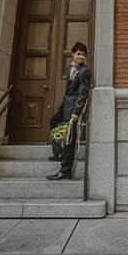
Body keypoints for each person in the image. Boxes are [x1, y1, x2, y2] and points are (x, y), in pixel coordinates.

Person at [46, 42, 91, 180]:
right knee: (53, 122)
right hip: (65, 104)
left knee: (69, 139)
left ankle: (65, 170)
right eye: (78, 54)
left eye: (83, 55)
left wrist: (76, 112)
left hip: (73, 107)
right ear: (73, 54)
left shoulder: (85, 71)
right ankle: (58, 153)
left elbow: (83, 93)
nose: (81, 57)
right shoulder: (69, 69)